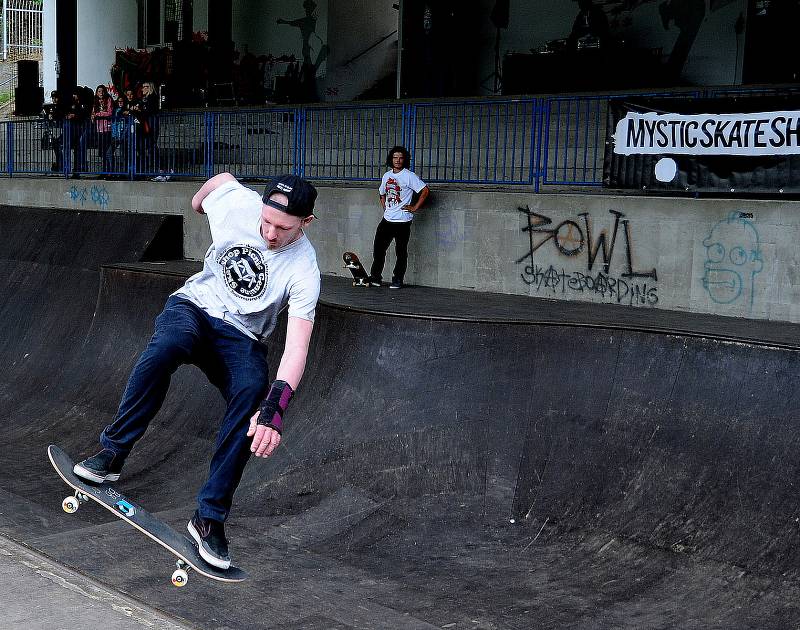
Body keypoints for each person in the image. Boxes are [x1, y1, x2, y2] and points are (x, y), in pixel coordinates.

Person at [72, 172, 321, 570]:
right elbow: (214, 185)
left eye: (283, 228)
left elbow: (296, 347)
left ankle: (209, 517)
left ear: (305, 224)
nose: (271, 233)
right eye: (267, 221)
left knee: (254, 398)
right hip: (195, 306)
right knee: (166, 346)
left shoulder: (305, 270)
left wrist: (275, 409)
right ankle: (113, 453)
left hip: (241, 337)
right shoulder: (238, 203)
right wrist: (199, 199)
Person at [369, 146, 429, 289]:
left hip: (403, 220)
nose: (398, 160)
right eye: (395, 157)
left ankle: (397, 279)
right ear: (391, 159)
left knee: (400, 252)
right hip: (387, 220)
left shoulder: (409, 176)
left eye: (401, 158)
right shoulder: (386, 176)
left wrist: (414, 207)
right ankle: (376, 278)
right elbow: (381, 193)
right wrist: (385, 207)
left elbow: (425, 190)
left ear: (404, 159)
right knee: (378, 249)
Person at [65, 87, 90, 176]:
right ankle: (74, 170)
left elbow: (84, 114)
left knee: (79, 149)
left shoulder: (83, 104)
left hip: (81, 129)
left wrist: (75, 115)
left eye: (75, 94)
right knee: (75, 150)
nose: (74, 96)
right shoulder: (72, 103)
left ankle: (79, 169)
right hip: (73, 129)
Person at [91, 85, 114, 174]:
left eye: (102, 91)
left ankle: (110, 171)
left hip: (107, 128)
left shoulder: (108, 99)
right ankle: (104, 171)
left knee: (107, 151)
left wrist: (98, 114)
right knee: (102, 152)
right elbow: (93, 113)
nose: (101, 93)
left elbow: (109, 113)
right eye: (99, 91)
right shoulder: (95, 102)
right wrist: (93, 116)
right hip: (99, 129)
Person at [41, 90, 65, 172]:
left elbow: (60, 115)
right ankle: (59, 164)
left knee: (58, 147)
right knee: (56, 147)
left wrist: (53, 115)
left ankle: (61, 164)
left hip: (61, 129)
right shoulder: (53, 107)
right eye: (53, 98)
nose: (54, 99)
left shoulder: (61, 106)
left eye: (56, 98)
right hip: (55, 129)